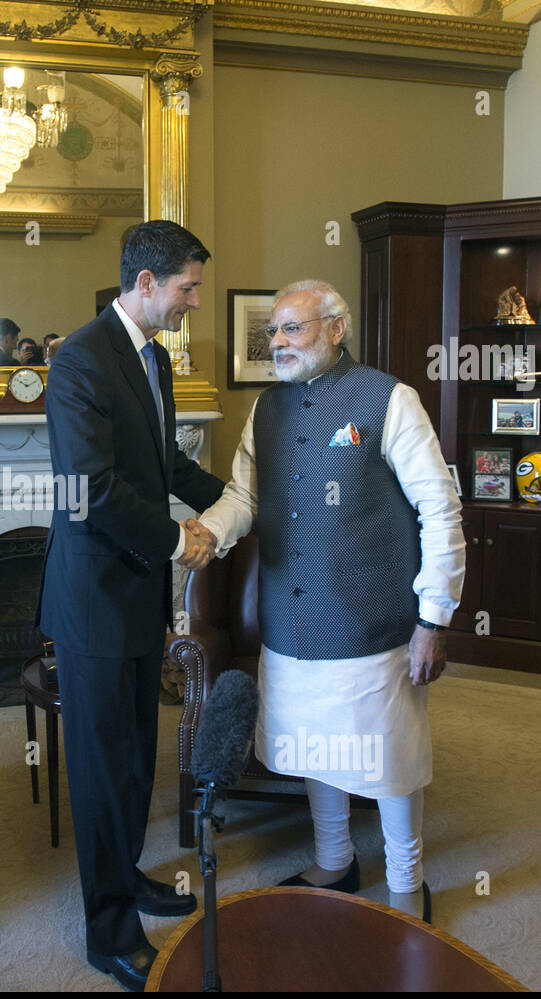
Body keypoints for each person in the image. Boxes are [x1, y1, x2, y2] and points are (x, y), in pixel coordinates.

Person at [185, 280, 466, 923]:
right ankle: (335, 863)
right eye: (274, 332)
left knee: (388, 759)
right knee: (315, 747)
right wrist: (208, 532)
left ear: (336, 329)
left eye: (294, 329)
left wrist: (434, 618)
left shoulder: (390, 399)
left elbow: (440, 509)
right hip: (291, 618)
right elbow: (244, 497)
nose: (279, 343)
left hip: (376, 622)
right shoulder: (267, 409)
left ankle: (405, 884)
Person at [36, 220, 227, 991]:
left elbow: (165, 461)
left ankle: (130, 875)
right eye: (187, 288)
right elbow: (91, 491)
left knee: (135, 759)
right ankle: (108, 932)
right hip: (94, 602)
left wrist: (238, 501)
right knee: (100, 770)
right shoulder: (80, 359)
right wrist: (180, 541)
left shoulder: (154, 358)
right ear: (145, 284)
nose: (194, 302)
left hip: (138, 593)